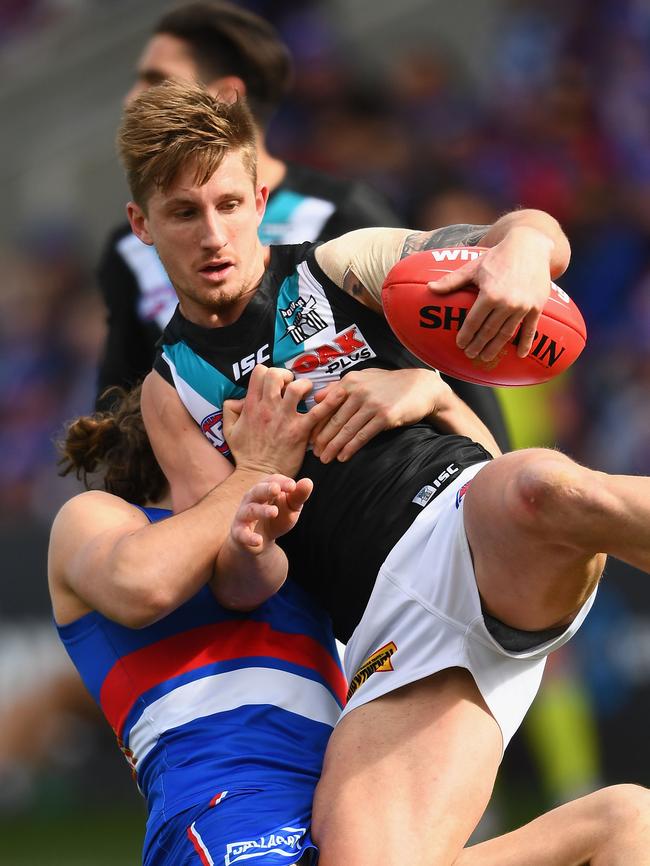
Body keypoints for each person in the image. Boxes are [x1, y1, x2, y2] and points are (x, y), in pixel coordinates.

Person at [115, 79, 650, 866]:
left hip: (467, 517)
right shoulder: (171, 390)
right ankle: (611, 828)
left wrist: (523, 260)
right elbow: (240, 579)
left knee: (545, 490)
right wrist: (259, 492)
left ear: (260, 198)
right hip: (384, 634)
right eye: (184, 214)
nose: (213, 234)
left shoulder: (338, 267)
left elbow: (519, 232)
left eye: (229, 204)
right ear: (142, 227)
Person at [49, 387, 650, 866]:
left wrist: (438, 399)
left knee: (625, 823)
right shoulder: (103, 518)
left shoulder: (287, 546)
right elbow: (141, 583)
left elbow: (466, 535)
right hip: (230, 810)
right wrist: (251, 469)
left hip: (350, 820)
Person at [95, 0, 511, 452]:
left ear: (224, 97)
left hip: (400, 473)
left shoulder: (341, 210)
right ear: (144, 224)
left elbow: (442, 346)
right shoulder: (128, 250)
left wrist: (501, 466)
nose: (131, 97)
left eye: (156, 81)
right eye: (183, 214)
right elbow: (119, 415)